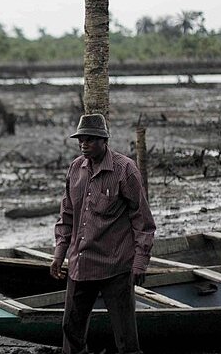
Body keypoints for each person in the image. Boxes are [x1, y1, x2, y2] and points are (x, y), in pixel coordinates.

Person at [51, 113, 156, 354]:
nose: (83, 144)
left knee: (126, 337)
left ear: (104, 140)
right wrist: (59, 253)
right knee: (71, 331)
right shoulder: (76, 168)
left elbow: (143, 221)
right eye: (81, 140)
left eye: (90, 140)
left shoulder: (125, 170)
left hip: (115, 266)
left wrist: (140, 262)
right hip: (80, 264)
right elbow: (66, 215)